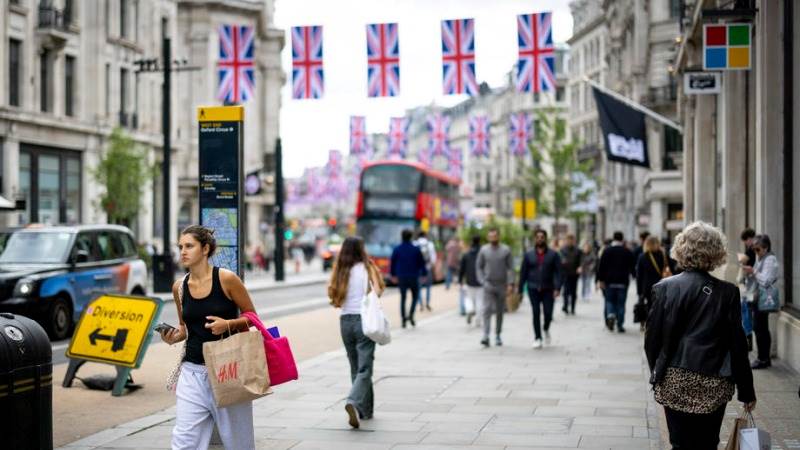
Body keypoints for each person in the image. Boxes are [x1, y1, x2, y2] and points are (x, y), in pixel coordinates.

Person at [645, 221, 756, 449]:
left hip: (675, 377)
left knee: (679, 442)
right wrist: (746, 390)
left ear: (681, 249)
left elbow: (651, 340)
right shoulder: (728, 292)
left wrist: (657, 372)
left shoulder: (664, 288)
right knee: (708, 442)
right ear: (716, 252)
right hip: (714, 379)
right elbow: (737, 345)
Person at [159, 225, 258, 450]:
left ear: (205, 249)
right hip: (192, 372)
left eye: (189, 246)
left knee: (239, 443)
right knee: (183, 442)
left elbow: (252, 317)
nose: (183, 251)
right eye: (180, 247)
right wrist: (173, 337)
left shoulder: (227, 279)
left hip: (228, 370)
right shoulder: (179, 287)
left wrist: (229, 324)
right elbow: (184, 328)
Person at [327, 236, 385, 429]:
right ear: (361, 249)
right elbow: (377, 291)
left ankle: (365, 411)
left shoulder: (340, 270)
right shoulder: (367, 268)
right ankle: (353, 400)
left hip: (345, 322)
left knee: (355, 367)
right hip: (364, 321)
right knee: (365, 369)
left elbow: (334, 295)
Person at [518, 229, 562, 349]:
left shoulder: (553, 255)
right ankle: (537, 337)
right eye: (537, 237)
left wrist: (558, 287)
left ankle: (546, 328)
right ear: (535, 239)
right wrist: (520, 290)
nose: (539, 239)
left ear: (545, 238)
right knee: (536, 312)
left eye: (542, 237)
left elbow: (559, 272)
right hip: (533, 288)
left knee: (548, 313)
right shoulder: (528, 255)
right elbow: (523, 273)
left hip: (548, 288)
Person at [743, 234, 779, 369]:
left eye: (758, 249)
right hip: (757, 297)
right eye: (754, 250)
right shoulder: (762, 258)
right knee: (759, 328)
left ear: (766, 247)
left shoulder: (770, 259)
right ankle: (763, 357)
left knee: (760, 328)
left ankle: (763, 358)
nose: (756, 253)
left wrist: (753, 271)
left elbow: (766, 280)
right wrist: (750, 273)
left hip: (763, 298)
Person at [476, 227, 514, 347]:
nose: (493, 238)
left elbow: (511, 268)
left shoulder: (506, 250)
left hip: (502, 285)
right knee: (486, 310)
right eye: (490, 236)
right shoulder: (484, 250)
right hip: (488, 284)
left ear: (498, 236)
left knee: (499, 311)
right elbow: (479, 267)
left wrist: (511, 283)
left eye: (495, 236)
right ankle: (486, 336)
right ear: (488, 237)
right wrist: (482, 280)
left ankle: (498, 335)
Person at [596, 231, 636, 333]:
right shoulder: (627, 251)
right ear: (622, 239)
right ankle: (620, 325)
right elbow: (632, 267)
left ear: (613, 239)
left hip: (609, 281)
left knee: (609, 301)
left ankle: (610, 315)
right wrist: (634, 276)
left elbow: (601, 267)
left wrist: (600, 280)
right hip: (623, 282)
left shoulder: (607, 251)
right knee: (621, 304)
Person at [390, 229, 427, 328]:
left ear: (401, 237)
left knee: (403, 298)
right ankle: (411, 315)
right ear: (411, 237)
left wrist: (393, 275)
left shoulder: (397, 249)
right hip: (414, 276)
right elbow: (421, 263)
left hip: (401, 276)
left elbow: (392, 263)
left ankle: (403, 319)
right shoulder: (416, 249)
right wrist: (424, 274)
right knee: (415, 297)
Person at [635, 235, 670, 331]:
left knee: (650, 306)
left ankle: (649, 324)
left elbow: (639, 275)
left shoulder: (642, 257)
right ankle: (658, 324)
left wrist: (639, 291)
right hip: (663, 284)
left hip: (647, 287)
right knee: (660, 306)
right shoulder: (663, 255)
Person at [458, 235, 483, 326]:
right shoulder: (483, 253)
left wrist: (460, 280)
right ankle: (478, 320)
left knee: (468, 298)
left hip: (469, 281)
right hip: (481, 281)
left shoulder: (466, 254)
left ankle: (469, 310)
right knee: (480, 300)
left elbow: (461, 269)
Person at [414, 231, 437, 311]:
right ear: (425, 236)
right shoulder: (430, 244)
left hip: (418, 269)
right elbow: (433, 258)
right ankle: (427, 303)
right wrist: (431, 266)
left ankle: (421, 304)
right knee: (428, 287)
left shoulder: (415, 244)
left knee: (418, 288)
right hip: (428, 268)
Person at [559, 234, 581, 315]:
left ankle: (572, 308)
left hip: (574, 274)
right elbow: (560, 259)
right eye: (568, 240)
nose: (570, 241)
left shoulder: (578, 250)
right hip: (565, 273)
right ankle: (565, 306)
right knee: (565, 291)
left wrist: (580, 267)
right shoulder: (562, 250)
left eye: (571, 240)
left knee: (573, 292)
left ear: (574, 241)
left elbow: (580, 260)